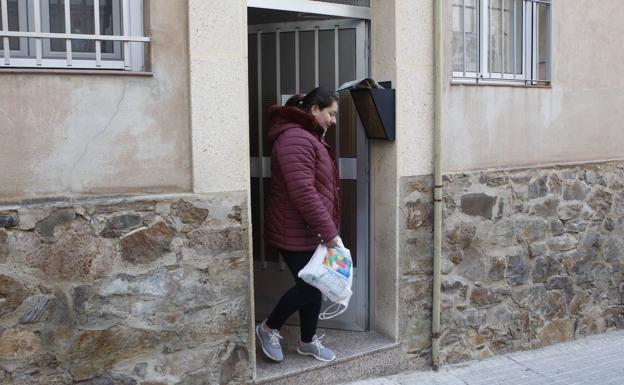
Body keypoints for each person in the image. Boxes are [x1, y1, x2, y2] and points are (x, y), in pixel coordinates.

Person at [256, 87, 341, 363]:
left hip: (308, 230)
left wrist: (324, 229)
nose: (333, 120)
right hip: (293, 229)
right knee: (312, 285)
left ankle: (307, 341)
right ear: (314, 109)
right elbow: (304, 192)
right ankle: (268, 328)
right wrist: (329, 233)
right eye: (331, 113)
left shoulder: (307, 137)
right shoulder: (295, 138)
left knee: (315, 284)